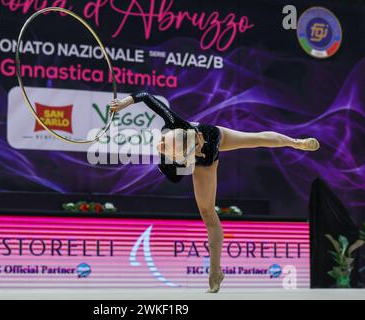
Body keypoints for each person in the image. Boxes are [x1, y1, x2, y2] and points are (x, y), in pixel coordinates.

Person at [109, 91, 319, 293]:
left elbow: (176, 174)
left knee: (254, 141)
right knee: (207, 212)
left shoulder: (203, 153)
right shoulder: (173, 124)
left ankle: (295, 142)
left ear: (184, 155)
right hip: (194, 144)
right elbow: (146, 96)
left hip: (211, 142)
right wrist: (124, 103)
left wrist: (169, 159)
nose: (160, 143)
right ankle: (217, 271)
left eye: (165, 146)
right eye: (164, 141)